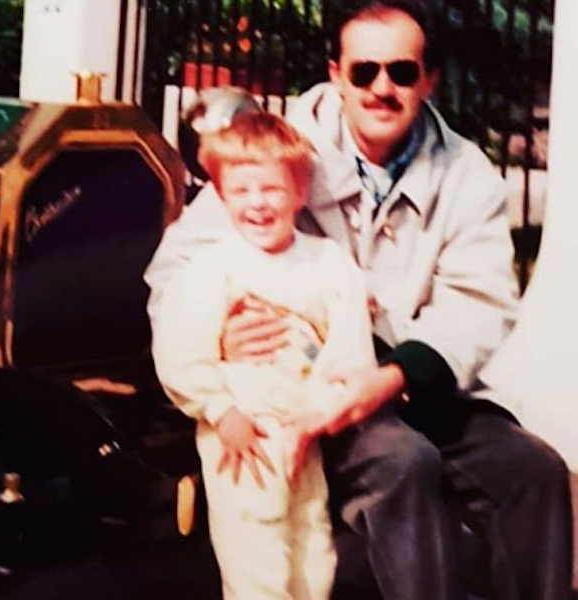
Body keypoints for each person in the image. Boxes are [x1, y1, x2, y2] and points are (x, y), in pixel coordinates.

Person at [145, 1, 574, 600]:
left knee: (533, 471)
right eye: (363, 71)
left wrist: (394, 376)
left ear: (429, 81)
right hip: (297, 386)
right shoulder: (280, 153)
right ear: (336, 75)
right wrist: (221, 335)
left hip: (407, 376)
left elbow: (479, 305)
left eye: (401, 72)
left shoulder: (465, 173)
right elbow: (178, 270)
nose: (381, 88)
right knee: (401, 462)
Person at [151, 111, 377, 600]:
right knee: (256, 559)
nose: (257, 204)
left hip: (306, 434)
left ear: (299, 192)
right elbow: (179, 348)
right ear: (222, 195)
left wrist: (323, 411)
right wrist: (219, 410)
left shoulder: (327, 262)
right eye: (241, 191)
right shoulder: (212, 268)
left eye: (271, 189)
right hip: (241, 436)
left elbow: (350, 343)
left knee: (313, 550)